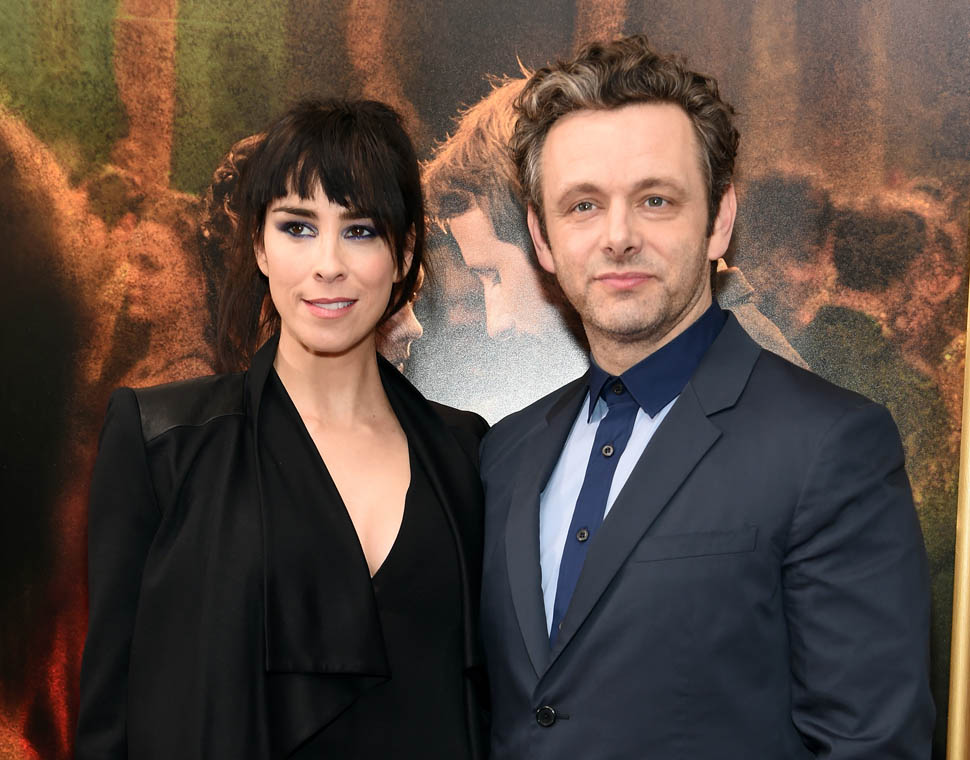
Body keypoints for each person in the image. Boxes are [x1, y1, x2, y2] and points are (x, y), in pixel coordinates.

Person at [478, 36, 934, 758]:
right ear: (542, 236)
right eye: (583, 205)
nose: (618, 236)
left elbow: (871, 743)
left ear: (720, 218)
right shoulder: (505, 452)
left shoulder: (830, 445)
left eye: (655, 200)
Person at [76, 99, 488, 760]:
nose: (328, 263)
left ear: (405, 252)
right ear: (259, 247)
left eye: (361, 230)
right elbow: (110, 718)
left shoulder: (465, 454)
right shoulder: (160, 444)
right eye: (298, 227)